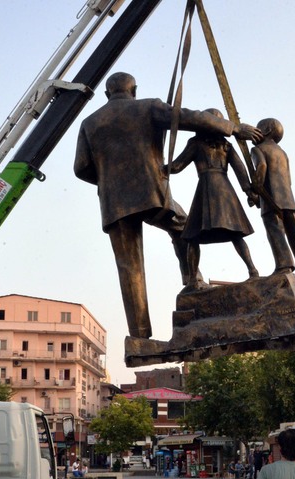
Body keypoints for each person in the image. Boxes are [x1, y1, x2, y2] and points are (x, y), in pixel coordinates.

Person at [74, 72, 261, 339]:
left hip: (113, 202)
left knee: (128, 265)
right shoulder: (149, 106)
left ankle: (139, 337)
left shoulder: (89, 123)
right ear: (134, 90)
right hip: (151, 192)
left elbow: (81, 168)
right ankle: (193, 281)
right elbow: (190, 117)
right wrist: (232, 127)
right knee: (185, 228)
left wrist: (109, 182)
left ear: (107, 94)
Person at [166, 108, 260, 290]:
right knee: (235, 233)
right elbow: (240, 171)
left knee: (192, 236)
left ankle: (193, 279)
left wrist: (161, 168)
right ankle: (253, 271)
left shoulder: (196, 143)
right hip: (225, 191)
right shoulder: (226, 146)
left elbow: (177, 166)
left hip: (207, 189)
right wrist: (249, 192)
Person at [250, 118, 295, 282]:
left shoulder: (257, 149)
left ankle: (284, 265)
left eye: (258, 128)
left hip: (271, 199)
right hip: (288, 199)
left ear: (266, 130)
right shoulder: (282, 152)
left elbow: (262, 167)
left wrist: (255, 190)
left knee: (276, 232)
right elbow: (289, 179)